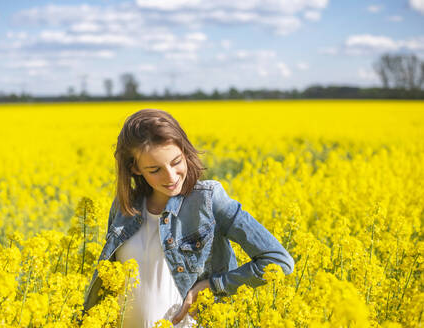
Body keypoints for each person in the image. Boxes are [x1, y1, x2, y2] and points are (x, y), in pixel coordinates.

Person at [83, 108, 295, 327]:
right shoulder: (123, 207)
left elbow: (279, 261)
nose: (171, 176)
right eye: (155, 169)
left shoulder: (208, 201)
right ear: (135, 168)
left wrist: (213, 286)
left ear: (185, 151)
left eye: (176, 162)